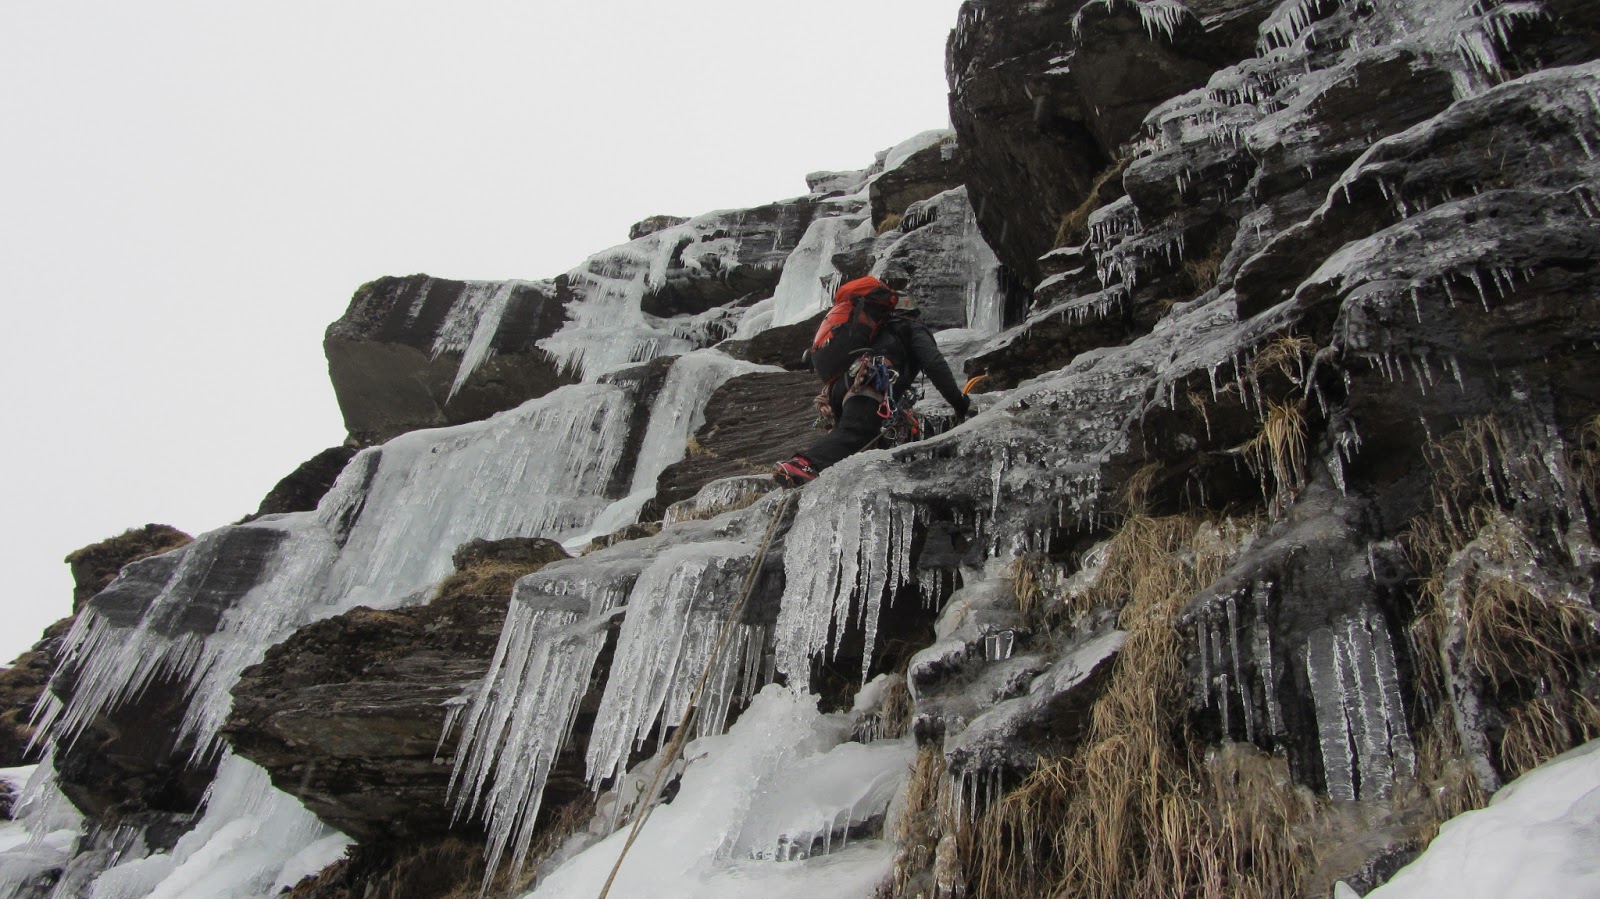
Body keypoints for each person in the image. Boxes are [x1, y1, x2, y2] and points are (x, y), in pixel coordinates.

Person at [774, 284, 972, 487]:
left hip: (844, 386)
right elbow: (934, 363)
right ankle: (803, 464)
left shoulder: (874, 333)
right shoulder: (910, 327)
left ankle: (824, 476)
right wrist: (960, 404)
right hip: (869, 383)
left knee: (860, 439)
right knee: (855, 433)